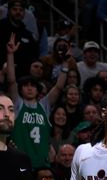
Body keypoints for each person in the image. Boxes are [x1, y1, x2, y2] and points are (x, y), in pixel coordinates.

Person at [7, 33, 68, 169]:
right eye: (26, 86)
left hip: (41, 163)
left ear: (38, 90)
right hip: (20, 163)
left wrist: (65, 64)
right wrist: (10, 54)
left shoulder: (44, 106)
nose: (29, 89)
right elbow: (11, 81)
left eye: (33, 86)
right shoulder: (18, 104)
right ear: (21, 89)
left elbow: (58, 87)